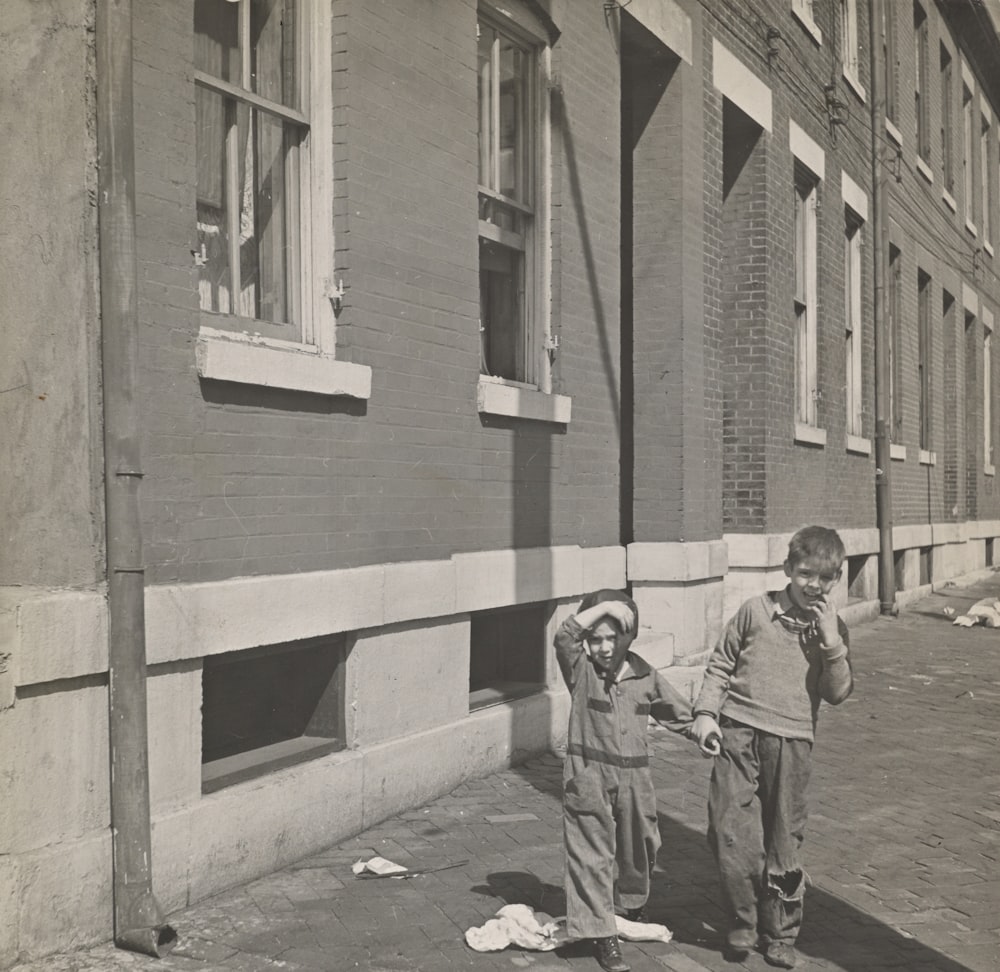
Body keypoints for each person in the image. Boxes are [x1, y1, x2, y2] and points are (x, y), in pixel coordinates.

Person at [691, 525, 854, 969]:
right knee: (728, 830)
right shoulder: (754, 611)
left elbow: (837, 692)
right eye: (805, 574)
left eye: (824, 578)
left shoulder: (830, 628)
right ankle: (743, 918)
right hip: (738, 733)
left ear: (835, 580)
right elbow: (722, 664)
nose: (813, 585)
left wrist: (831, 641)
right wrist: (706, 713)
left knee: (784, 839)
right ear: (787, 568)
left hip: (793, 742)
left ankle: (780, 932)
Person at [554, 588, 694, 972]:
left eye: (611, 637)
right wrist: (603, 608)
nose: (602, 647)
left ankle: (629, 908)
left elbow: (678, 712)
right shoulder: (580, 671)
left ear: (627, 637)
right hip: (589, 776)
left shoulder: (644, 673)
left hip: (635, 776)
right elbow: (564, 637)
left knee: (642, 844)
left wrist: (705, 731)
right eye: (595, 639)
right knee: (591, 855)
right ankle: (603, 935)